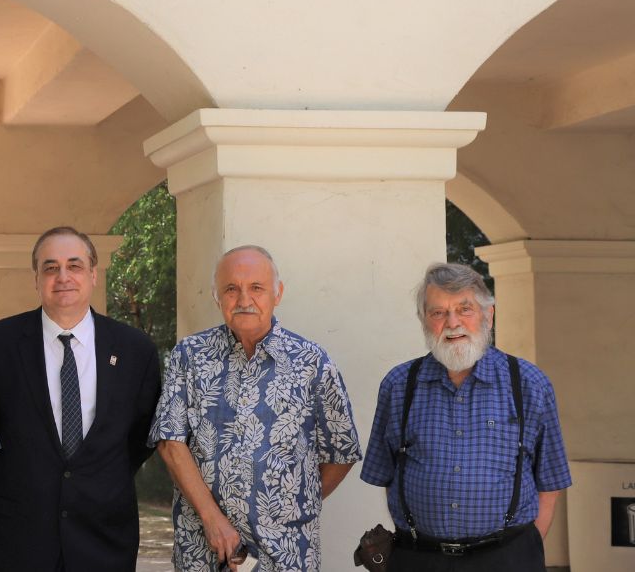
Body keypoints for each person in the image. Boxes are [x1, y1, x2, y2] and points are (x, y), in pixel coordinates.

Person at [150, 245, 361, 572]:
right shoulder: (189, 355)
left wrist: (291, 505)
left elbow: (342, 451)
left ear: (278, 293)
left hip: (287, 554)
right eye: (231, 289)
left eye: (257, 288)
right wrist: (213, 520)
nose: (244, 300)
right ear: (216, 297)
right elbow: (170, 442)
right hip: (203, 549)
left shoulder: (312, 363)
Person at [0, 226, 161, 571]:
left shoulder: (135, 350)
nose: (63, 277)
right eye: (51, 267)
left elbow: (141, 437)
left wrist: (98, 474)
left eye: (74, 265)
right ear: (37, 278)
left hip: (104, 536)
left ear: (93, 274)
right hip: (21, 536)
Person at [359, 262, 571, 570]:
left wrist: (521, 549)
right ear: (424, 321)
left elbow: (550, 481)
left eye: (464, 309)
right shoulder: (398, 385)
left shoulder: (528, 383)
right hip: (419, 559)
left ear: (489, 315)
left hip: (507, 558)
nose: (452, 322)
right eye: (438, 312)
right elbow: (387, 474)